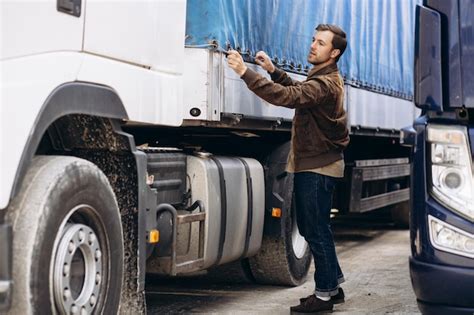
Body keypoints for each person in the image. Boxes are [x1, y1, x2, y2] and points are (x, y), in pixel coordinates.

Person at [227, 24, 349, 314]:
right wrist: (273, 70)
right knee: (316, 228)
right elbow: (299, 90)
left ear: (334, 53)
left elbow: (289, 98)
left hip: (319, 166)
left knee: (314, 230)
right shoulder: (320, 77)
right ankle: (333, 285)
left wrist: (246, 73)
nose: (312, 46)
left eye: (320, 43)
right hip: (317, 162)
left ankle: (323, 296)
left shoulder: (327, 84)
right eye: (313, 40)